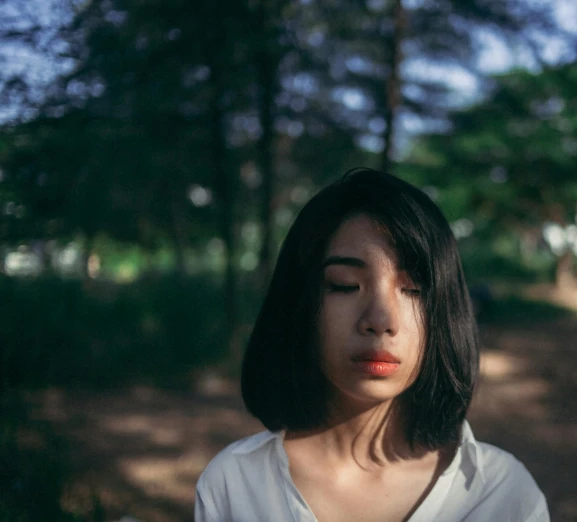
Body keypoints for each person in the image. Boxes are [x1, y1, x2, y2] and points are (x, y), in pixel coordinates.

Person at [195, 168, 549, 522]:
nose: (380, 320)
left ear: (444, 312)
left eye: (413, 290)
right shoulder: (236, 485)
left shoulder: (502, 495)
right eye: (345, 285)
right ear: (299, 305)